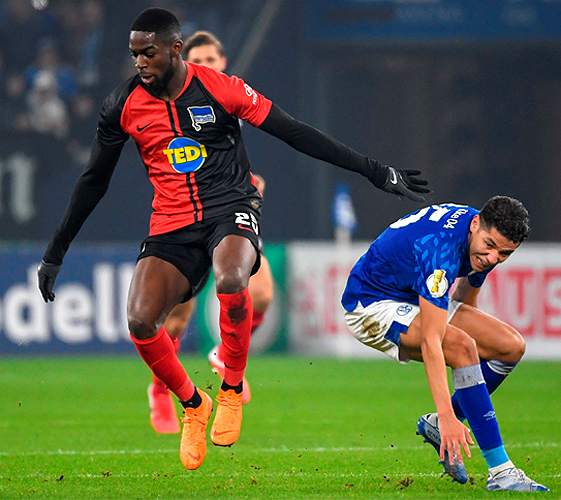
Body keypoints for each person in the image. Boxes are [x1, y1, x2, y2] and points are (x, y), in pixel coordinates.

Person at [38, 7, 428, 471]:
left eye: (149, 53)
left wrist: (375, 171)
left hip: (231, 207)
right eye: (134, 54)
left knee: (231, 279)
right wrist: (55, 252)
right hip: (171, 223)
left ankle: (230, 390)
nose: (140, 62)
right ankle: (193, 404)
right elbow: (93, 181)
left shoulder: (220, 88)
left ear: (175, 49)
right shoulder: (122, 105)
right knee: (141, 322)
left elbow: (295, 133)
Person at [341, 196, 548, 492]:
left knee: (511, 346)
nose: (492, 258)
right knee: (460, 346)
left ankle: (438, 422)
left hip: (411, 293)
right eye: (489, 246)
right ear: (476, 224)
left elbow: (467, 295)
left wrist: (468, 352)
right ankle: (502, 472)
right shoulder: (440, 247)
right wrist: (449, 414)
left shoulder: (484, 239)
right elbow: (432, 341)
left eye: (504, 254)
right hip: (371, 303)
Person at [147, 30, 274, 435]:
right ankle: (159, 389)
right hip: (186, 220)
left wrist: (248, 182)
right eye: (197, 60)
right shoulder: (174, 102)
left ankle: (222, 355)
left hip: (230, 217)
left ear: (222, 61)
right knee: (175, 321)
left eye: (212, 59)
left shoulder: (229, 99)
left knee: (262, 292)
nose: (205, 66)